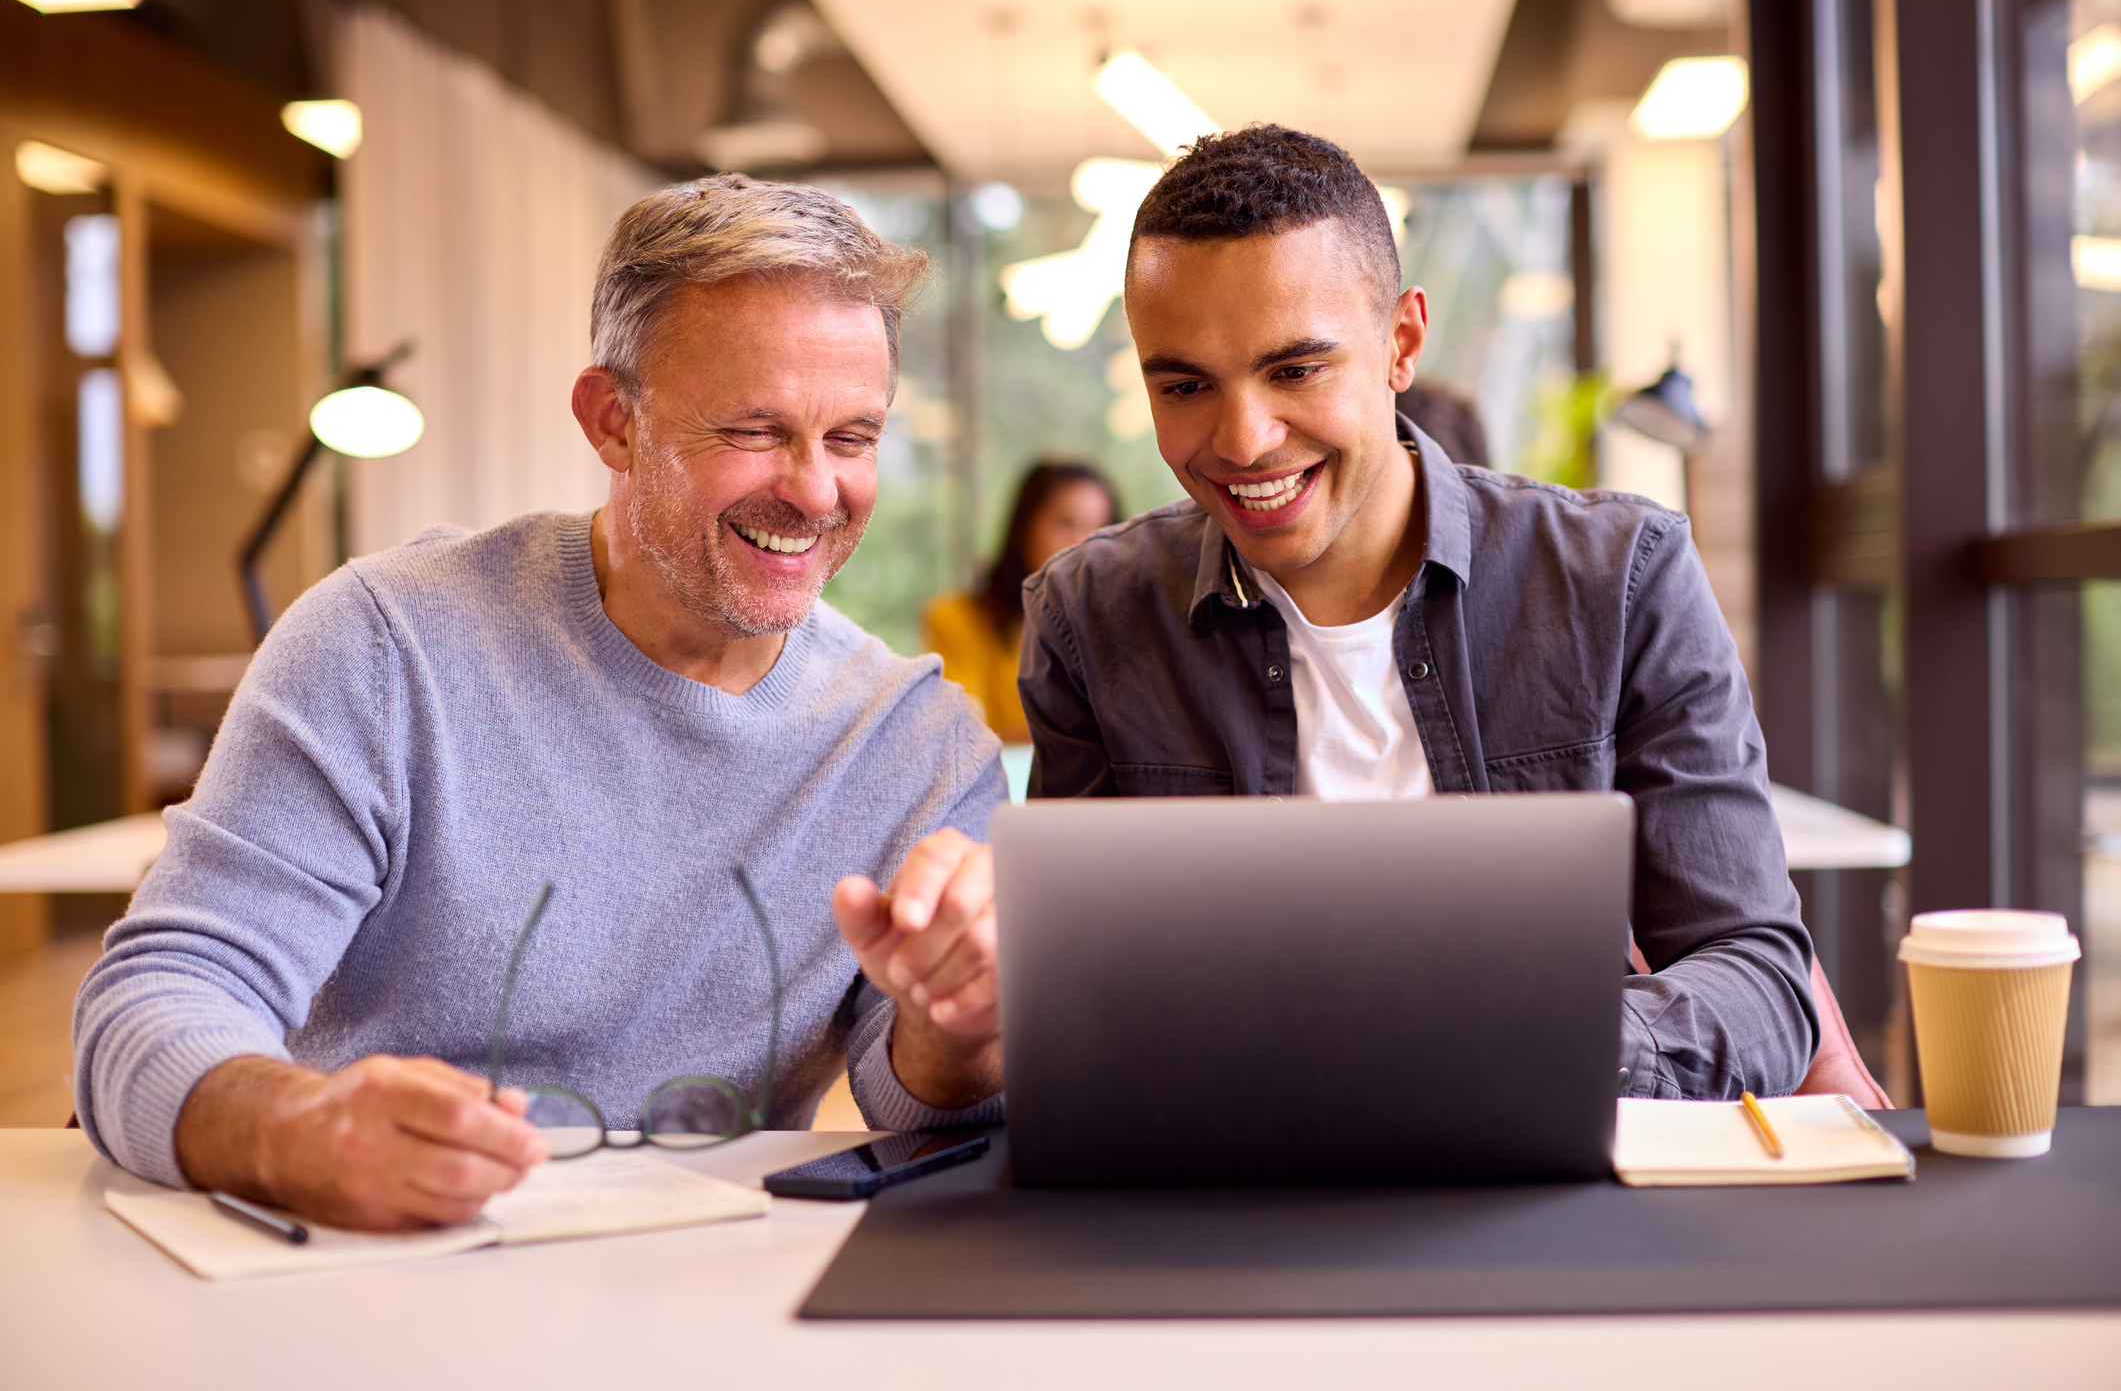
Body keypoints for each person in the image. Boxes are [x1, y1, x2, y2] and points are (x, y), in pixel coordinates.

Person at [70, 176, 1006, 1229]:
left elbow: (918, 1101)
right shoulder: (385, 644)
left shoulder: (914, 742)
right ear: (613, 422)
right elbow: (151, 1001)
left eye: (852, 438)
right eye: (756, 428)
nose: (815, 490)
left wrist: (961, 1019)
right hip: (375, 1270)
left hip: (713, 1295)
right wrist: (294, 1129)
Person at [1017, 126, 1818, 1100]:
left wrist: (1524, 1041)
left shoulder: (1620, 580)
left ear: (1401, 342)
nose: (1243, 439)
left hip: (1547, 1166)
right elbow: (1071, 986)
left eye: (1296, 370)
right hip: (1230, 1180)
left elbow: (1759, 976)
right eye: (1185, 384)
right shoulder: (1089, 616)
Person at [921, 462, 1119, 742]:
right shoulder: (956, 617)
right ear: (1024, 527)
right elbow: (959, 736)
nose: (1083, 544)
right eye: (1066, 524)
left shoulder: (1123, 626)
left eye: (1100, 528)